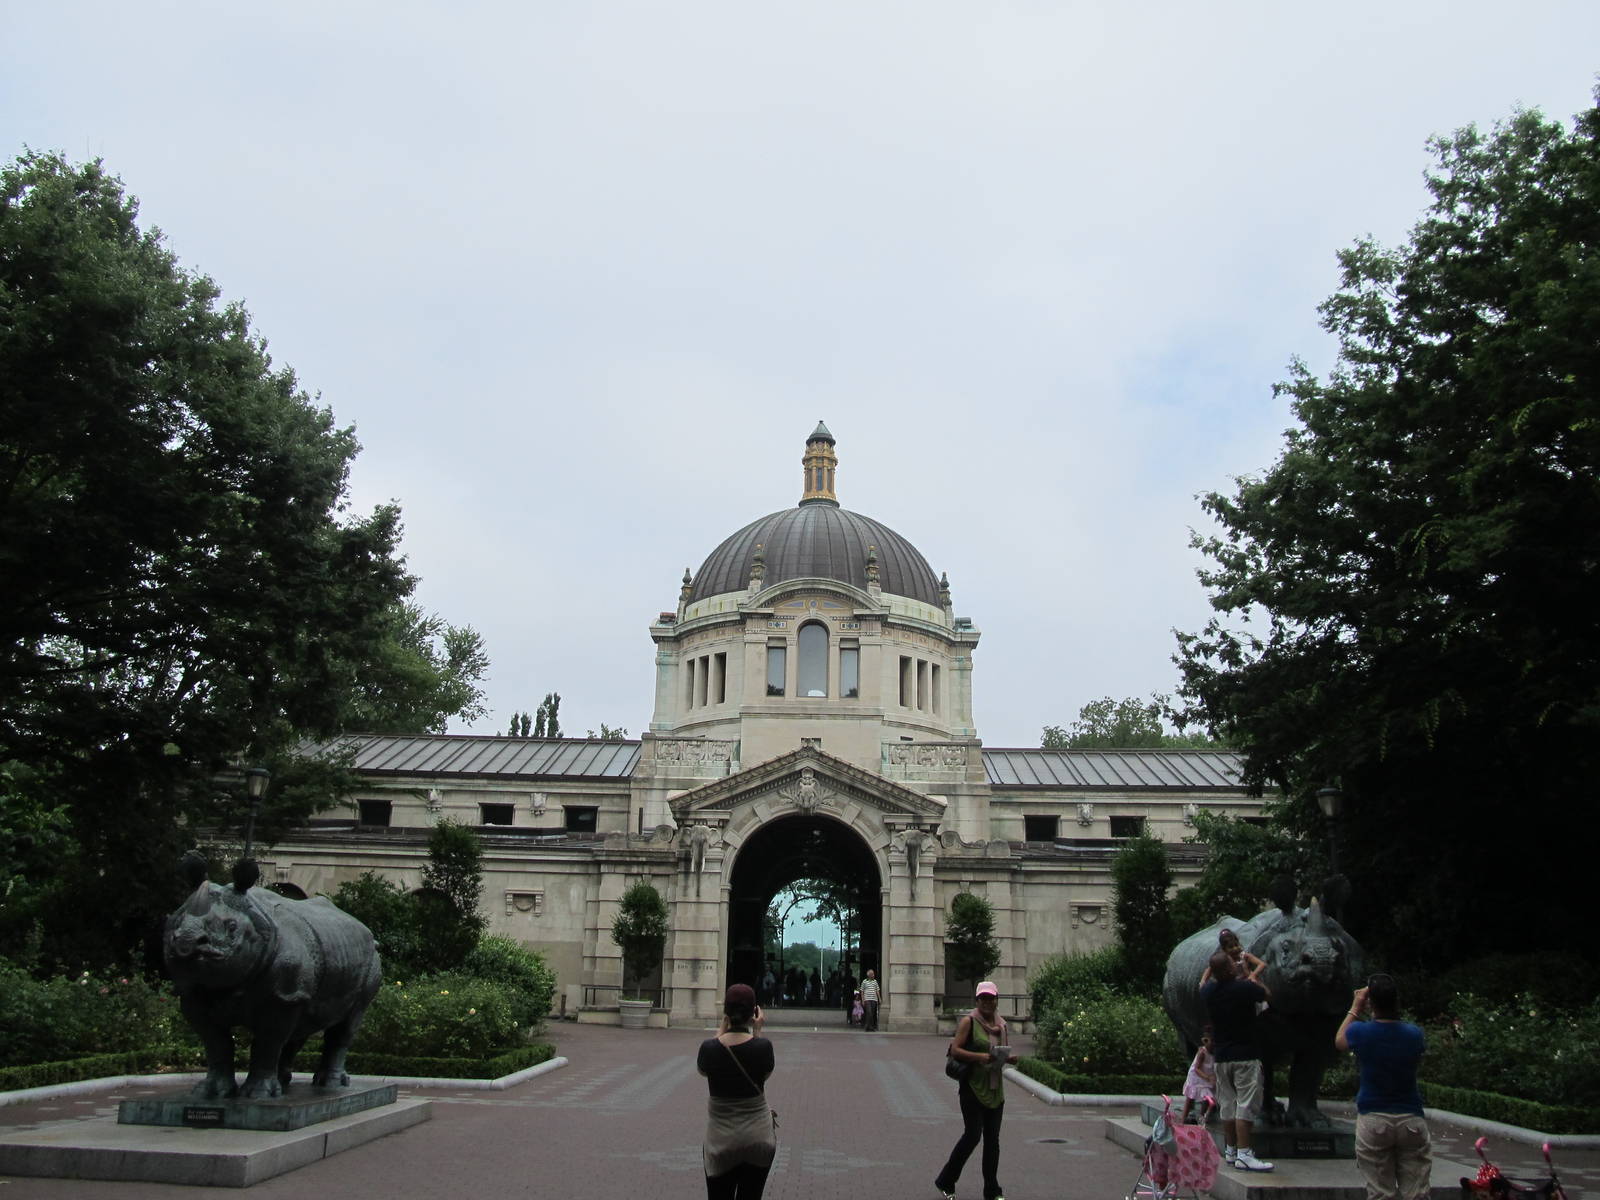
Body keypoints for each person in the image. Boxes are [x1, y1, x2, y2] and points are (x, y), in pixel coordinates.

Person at [1336, 974, 1431, 1200]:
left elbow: (1339, 1041)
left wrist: (1355, 1007)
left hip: (1374, 1117)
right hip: (1411, 1118)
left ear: (1370, 1002)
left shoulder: (1361, 1032)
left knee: (1380, 1193)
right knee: (1417, 1193)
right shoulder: (1414, 1034)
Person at [697, 983, 776, 1199]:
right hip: (758, 1139)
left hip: (720, 1141)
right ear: (754, 1013)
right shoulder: (763, 1047)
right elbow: (763, 1075)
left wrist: (722, 1029)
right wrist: (758, 1031)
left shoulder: (709, 1048)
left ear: (726, 1012)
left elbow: (703, 1069)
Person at [935, 980, 1010, 1200]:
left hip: (995, 1089)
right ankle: (946, 1180)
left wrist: (1008, 1057)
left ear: (997, 999)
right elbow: (955, 1050)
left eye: (991, 998)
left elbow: (999, 1052)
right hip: (972, 1088)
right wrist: (979, 1057)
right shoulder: (969, 1021)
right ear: (977, 1000)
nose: (987, 1002)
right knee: (972, 1136)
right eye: (983, 998)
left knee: (993, 1141)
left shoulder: (1002, 1025)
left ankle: (992, 1190)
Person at [1201, 950, 1274, 1172]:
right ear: (1230, 968)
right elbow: (1267, 995)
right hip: (1246, 1055)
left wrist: (1213, 970)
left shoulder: (1209, 992)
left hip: (1222, 1057)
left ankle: (1231, 1150)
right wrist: (1249, 973)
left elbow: (1203, 984)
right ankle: (1244, 1153)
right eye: (1233, 963)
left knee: (1228, 1104)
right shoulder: (1244, 988)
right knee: (1245, 1104)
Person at [1199, 928, 1266, 986]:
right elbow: (1209, 969)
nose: (1235, 948)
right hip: (1231, 984)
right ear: (1224, 949)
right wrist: (1203, 981)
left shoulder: (1244, 956)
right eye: (1231, 947)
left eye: (1236, 945)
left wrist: (1253, 975)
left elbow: (1261, 964)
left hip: (1247, 981)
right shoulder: (1224, 959)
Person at [1180, 1031, 1216, 1124]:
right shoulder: (1202, 1052)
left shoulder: (1214, 1053)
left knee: (1208, 1098)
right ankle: (1183, 1120)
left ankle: (1202, 1116)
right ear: (1206, 1041)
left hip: (1207, 1077)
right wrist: (1207, 1077)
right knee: (1190, 1097)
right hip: (1196, 1077)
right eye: (1211, 1042)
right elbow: (1197, 1068)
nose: (1213, 1045)